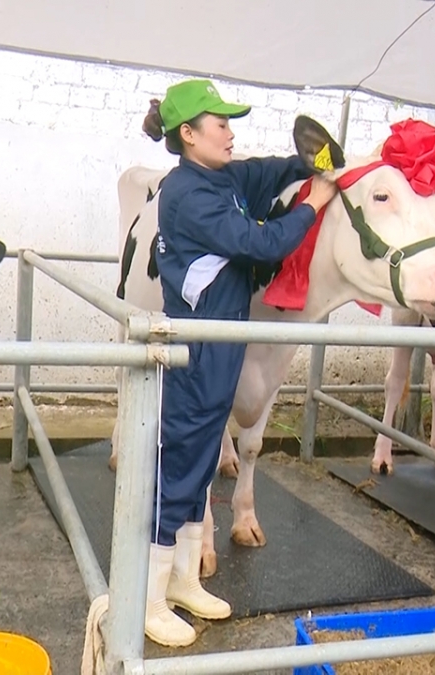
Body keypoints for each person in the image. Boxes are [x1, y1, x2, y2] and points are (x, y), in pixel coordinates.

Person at [139, 78, 338, 647]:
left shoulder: (220, 176)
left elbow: (266, 172)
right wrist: (314, 205)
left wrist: (307, 161)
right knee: (180, 461)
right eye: (220, 124)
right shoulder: (188, 195)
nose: (231, 133)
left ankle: (181, 580)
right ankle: (149, 598)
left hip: (224, 342)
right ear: (188, 134)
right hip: (197, 345)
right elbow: (264, 245)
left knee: (204, 460)